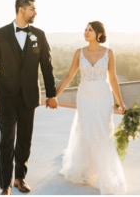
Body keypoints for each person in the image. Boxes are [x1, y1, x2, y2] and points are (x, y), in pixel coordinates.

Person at [0, 0, 58, 195]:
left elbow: (47, 66)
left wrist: (51, 94)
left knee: (25, 139)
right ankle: (5, 185)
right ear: (21, 10)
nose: (35, 12)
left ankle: (20, 178)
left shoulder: (39, 36)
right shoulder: (0, 35)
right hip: (6, 97)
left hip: (29, 97)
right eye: (32, 9)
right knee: (7, 139)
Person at [53, 20, 129, 194]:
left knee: (102, 132)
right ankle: (85, 170)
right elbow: (69, 76)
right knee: (87, 130)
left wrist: (121, 102)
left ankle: (104, 173)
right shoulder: (78, 53)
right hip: (85, 96)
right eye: (85, 29)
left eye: (90, 30)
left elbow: (113, 79)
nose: (86, 32)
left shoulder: (109, 53)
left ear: (99, 34)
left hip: (103, 96)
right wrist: (54, 96)